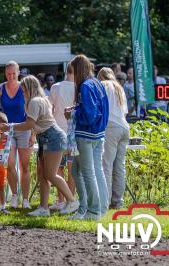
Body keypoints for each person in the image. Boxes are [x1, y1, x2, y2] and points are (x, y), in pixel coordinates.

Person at [0, 75, 79, 217]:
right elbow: (37, 124)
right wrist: (33, 136)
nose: (22, 92)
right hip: (47, 138)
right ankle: (44, 208)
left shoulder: (34, 102)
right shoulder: (40, 100)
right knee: (43, 175)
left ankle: (72, 201)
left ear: (29, 88)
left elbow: (29, 124)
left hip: (52, 138)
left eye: (23, 89)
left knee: (50, 174)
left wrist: (10, 127)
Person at [66, 55, 109, 221]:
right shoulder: (97, 83)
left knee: (86, 172)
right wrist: (77, 107)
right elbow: (98, 109)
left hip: (86, 134)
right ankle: (95, 208)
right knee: (90, 171)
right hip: (98, 134)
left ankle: (92, 211)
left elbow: (90, 114)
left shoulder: (85, 86)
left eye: (73, 71)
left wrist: (73, 113)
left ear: (78, 70)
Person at [0, 61, 32, 209]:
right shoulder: (0, 88)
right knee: (10, 165)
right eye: (8, 73)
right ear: (5, 73)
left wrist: (34, 133)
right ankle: (15, 196)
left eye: (13, 73)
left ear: (18, 73)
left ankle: (25, 200)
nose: (11, 76)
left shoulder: (24, 87)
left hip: (24, 129)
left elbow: (34, 109)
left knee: (25, 166)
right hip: (6, 131)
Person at [97, 68, 130, 209]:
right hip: (124, 127)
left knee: (106, 165)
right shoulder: (119, 87)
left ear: (101, 77)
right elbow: (125, 112)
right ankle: (118, 201)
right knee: (119, 167)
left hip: (110, 126)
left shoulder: (103, 86)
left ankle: (105, 201)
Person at [48, 64, 76, 211]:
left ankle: (61, 199)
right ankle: (70, 200)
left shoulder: (56, 87)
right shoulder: (80, 87)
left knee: (57, 168)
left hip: (58, 131)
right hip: (73, 132)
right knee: (72, 168)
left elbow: (49, 109)